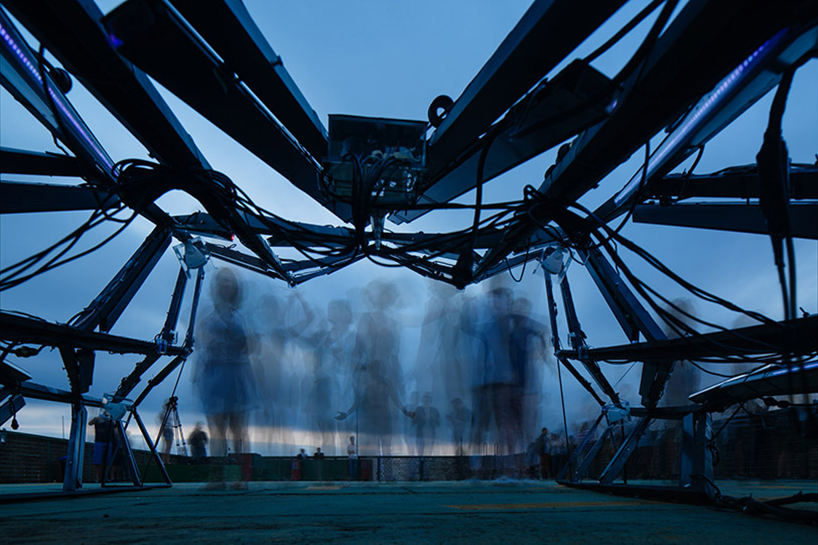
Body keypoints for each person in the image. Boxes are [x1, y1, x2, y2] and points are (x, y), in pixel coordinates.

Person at [192, 268, 258, 490]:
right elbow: (201, 343)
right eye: (222, 281)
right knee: (217, 429)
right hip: (215, 375)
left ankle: (242, 477)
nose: (225, 285)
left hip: (236, 374)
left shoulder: (241, 316)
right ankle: (217, 476)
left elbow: (251, 346)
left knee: (238, 429)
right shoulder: (208, 315)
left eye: (229, 281)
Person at [88, 410, 120, 483]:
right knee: (98, 461)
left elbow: (115, 426)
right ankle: (97, 478)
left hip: (109, 442)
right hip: (99, 442)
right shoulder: (98, 419)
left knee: (109, 461)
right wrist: (97, 418)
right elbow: (90, 423)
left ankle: (109, 477)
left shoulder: (111, 421)